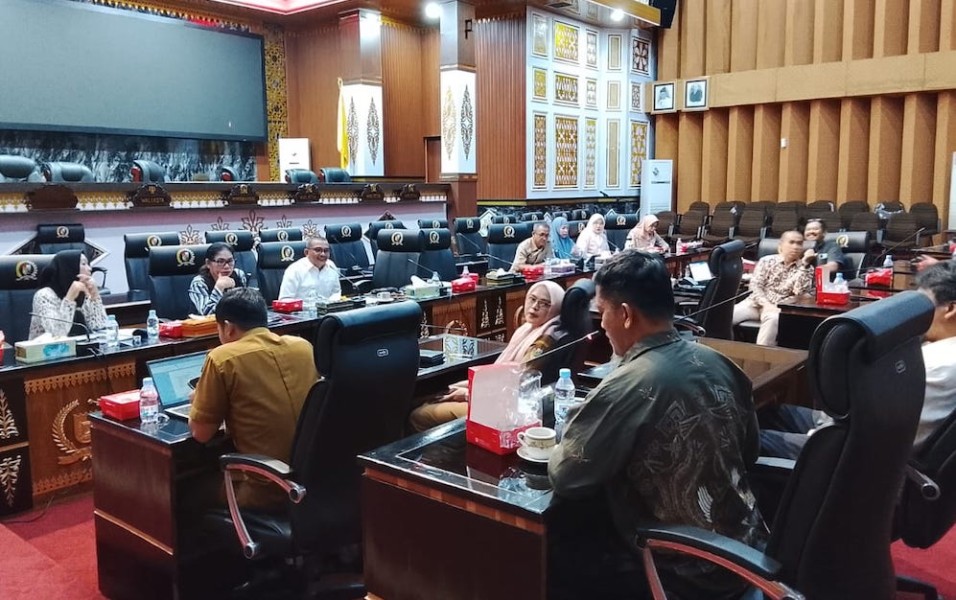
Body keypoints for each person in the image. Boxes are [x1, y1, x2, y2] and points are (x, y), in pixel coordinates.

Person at [548, 251, 766, 599]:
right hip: (747, 551)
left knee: (549, 552)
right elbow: (750, 451)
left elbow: (567, 475)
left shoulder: (631, 383)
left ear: (625, 315)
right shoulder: (720, 363)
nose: (601, 325)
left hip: (688, 572)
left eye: (603, 312)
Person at [761, 259, 956, 459]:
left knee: (747, 440)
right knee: (766, 413)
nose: (915, 313)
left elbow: (867, 425)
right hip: (853, 430)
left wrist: (813, 436)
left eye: (922, 304)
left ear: (950, 309)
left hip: (853, 456)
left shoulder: (936, 366)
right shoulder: (939, 349)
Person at [189, 288, 319, 511]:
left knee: (186, 488)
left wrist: (198, 400)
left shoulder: (222, 358)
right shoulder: (303, 347)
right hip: (313, 480)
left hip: (266, 488)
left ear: (228, 327)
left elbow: (201, 434)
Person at [408, 280, 566, 432]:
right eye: (532, 299)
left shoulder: (545, 340)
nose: (535, 306)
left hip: (507, 410)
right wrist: (466, 386)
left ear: (556, 308)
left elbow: (519, 384)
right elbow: (499, 374)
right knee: (429, 396)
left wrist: (468, 394)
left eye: (545, 304)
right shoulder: (527, 330)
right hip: (496, 398)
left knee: (419, 415)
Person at [731, 230, 814, 346]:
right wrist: (766, 304)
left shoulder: (807, 268)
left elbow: (799, 291)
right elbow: (755, 286)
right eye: (791, 242)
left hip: (779, 308)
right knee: (724, 317)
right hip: (755, 304)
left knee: (773, 319)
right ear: (781, 245)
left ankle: (761, 355)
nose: (795, 247)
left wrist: (804, 265)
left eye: (799, 243)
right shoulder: (766, 261)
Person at [29, 249, 108, 339]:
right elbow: (57, 335)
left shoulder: (83, 291)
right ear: (69, 268)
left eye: (88, 264)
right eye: (83, 264)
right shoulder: (44, 295)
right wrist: (70, 298)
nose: (90, 268)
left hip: (81, 345)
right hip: (46, 347)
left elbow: (99, 327)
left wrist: (95, 296)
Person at [188, 242, 248, 316]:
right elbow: (207, 314)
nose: (226, 266)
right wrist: (219, 288)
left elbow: (245, 306)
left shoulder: (238, 274)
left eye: (230, 261)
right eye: (220, 261)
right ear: (208, 263)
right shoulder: (199, 283)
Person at [278, 234, 342, 301]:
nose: (323, 254)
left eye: (326, 251)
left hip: (327, 307)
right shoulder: (294, 270)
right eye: (318, 250)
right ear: (306, 252)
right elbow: (285, 299)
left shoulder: (331, 266)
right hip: (302, 307)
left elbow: (336, 292)